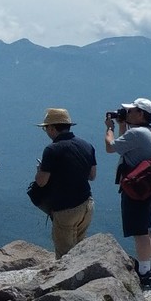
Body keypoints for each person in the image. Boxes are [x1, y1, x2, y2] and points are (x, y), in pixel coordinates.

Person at [105, 96, 151, 290]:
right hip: (147, 188)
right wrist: (123, 125)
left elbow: (110, 147)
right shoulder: (149, 131)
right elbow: (124, 148)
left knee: (139, 232)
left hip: (136, 190)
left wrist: (110, 128)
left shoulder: (136, 133)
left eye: (130, 111)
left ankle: (144, 273)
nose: (126, 113)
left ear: (140, 114)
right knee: (146, 228)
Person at [32, 107, 96, 256]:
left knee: (65, 258)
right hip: (87, 205)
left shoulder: (52, 149)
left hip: (65, 209)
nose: (47, 131)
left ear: (53, 128)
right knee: (79, 253)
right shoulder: (87, 145)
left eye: (46, 128)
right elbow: (92, 175)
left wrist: (40, 170)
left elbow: (41, 182)